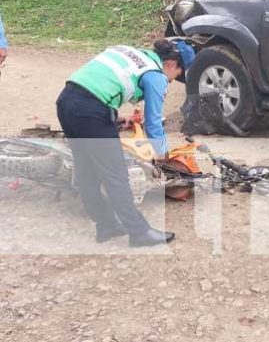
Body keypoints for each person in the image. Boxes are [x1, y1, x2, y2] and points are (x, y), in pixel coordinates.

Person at [56, 39, 195, 247]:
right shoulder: (156, 75)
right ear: (172, 65)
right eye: (177, 77)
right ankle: (139, 233)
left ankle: (105, 225)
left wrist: (112, 116)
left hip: (67, 102)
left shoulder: (132, 52)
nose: (172, 81)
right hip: (89, 111)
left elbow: (99, 84)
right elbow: (154, 123)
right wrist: (163, 157)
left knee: (86, 170)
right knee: (116, 175)